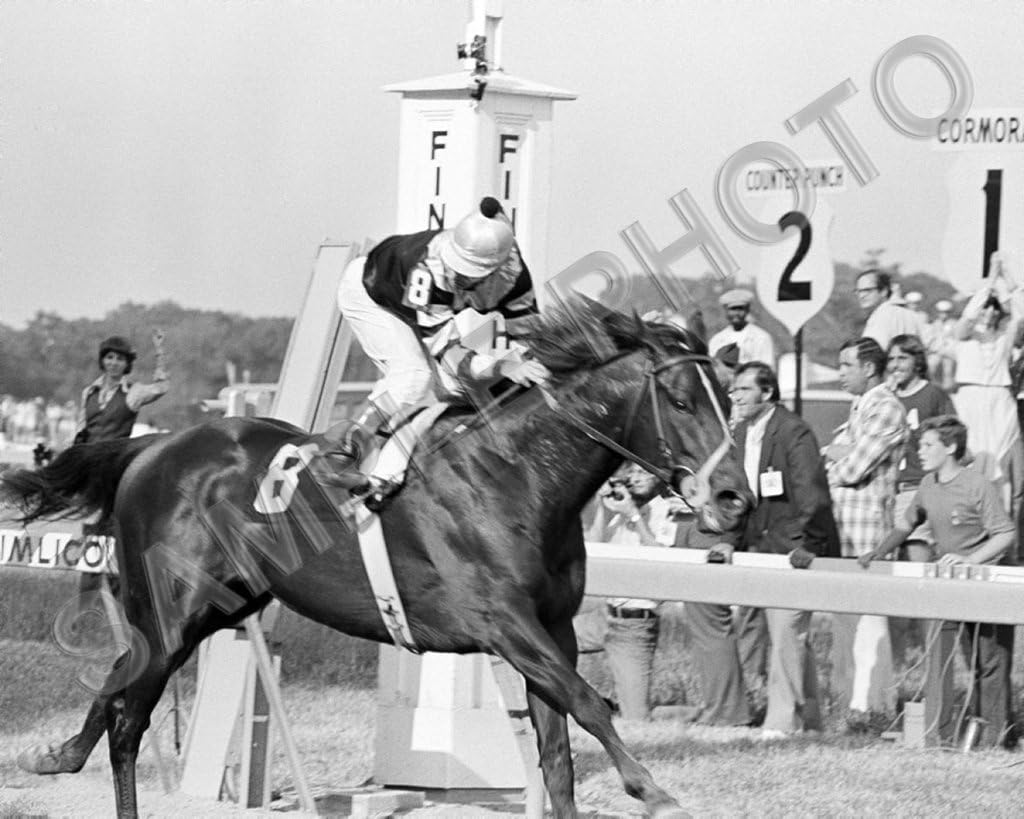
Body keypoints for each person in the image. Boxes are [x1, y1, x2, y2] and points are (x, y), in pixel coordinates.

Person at [329, 197, 549, 504]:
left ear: (497, 269)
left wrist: (530, 363)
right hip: (372, 296)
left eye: (468, 274)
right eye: (458, 267)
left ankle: (385, 475)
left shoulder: (514, 276)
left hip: (411, 308)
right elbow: (454, 359)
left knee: (453, 392)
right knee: (415, 377)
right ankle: (348, 447)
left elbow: (531, 334)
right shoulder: (429, 271)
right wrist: (505, 366)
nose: (457, 276)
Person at [859, 416, 1018, 749]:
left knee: (991, 663)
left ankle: (996, 740)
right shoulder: (928, 484)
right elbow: (905, 526)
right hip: (955, 589)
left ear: (951, 447)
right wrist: (877, 553)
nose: (920, 450)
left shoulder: (977, 484)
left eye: (928, 444)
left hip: (990, 585)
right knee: (971, 662)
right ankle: (972, 734)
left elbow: (1006, 533)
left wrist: (971, 561)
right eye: (919, 444)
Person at [720, 361, 840, 738]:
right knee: (788, 633)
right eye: (734, 390)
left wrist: (807, 546)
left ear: (767, 393)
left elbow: (813, 495)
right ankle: (814, 720)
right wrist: (729, 540)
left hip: (796, 548)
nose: (735, 396)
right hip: (762, 547)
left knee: (787, 630)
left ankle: (781, 723)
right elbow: (739, 496)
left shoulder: (794, 431)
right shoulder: (740, 433)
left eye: (743, 389)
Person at [824, 337, 908, 729]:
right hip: (844, 528)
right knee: (847, 622)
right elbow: (835, 458)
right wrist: (838, 455)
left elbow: (852, 467)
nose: (840, 373)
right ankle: (850, 706)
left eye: (846, 365)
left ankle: (872, 709)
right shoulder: (858, 409)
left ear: (869, 368)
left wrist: (838, 455)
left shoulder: (887, 407)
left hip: (870, 532)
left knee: (871, 625)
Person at [575, 463, 683, 720]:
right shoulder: (617, 507)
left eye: (643, 472)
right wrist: (602, 505)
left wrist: (633, 515)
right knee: (543, 639)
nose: (635, 479)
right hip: (602, 614)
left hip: (634, 625)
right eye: (632, 472)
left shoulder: (669, 511)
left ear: (660, 479)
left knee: (637, 718)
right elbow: (592, 547)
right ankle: (580, 700)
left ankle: (703, 714)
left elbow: (662, 563)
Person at [952, 256, 1024, 520]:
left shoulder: (1007, 335)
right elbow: (967, 319)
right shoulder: (964, 334)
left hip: (999, 400)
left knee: (1001, 471)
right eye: (986, 305)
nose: (990, 311)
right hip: (970, 399)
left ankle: (1001, 533)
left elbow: (1021, 312)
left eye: (995, 306)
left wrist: (1010, 280)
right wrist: (990, 280)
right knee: (970, 462)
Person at [76, 331, 168, 444]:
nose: (114, 363)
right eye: (110, 357)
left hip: (117, 457)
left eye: (120, 359)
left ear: (126, 364)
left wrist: (160, 353)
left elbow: (161, 388)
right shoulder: (89, 392)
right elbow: (80, 429)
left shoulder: (133, 392)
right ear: (103, 360)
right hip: (87, 456)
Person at [856, 269, 928, 350]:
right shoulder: (911, 314)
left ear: (884, 291)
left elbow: (872, 354)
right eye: (858, 291)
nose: (861, 295)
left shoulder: (881, 316)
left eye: (867, 290)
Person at [708, 288, 775, 367]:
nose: (737, 313)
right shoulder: (717, 340)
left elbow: (767, 370)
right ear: (726, 311)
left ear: (747, 310)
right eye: (733, 309)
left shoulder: (761, 338)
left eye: (740, 309)